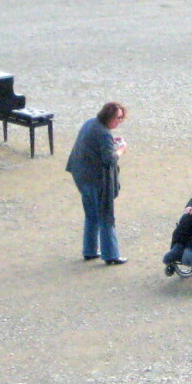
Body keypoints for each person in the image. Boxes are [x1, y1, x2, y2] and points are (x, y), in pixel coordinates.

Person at [65, 101, 128, 265]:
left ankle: (90, 250)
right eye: (118, 118)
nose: (120, 121)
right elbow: (109, 160)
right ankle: (111, 255)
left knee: (91, 215)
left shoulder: (91, 123)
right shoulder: (103, 133)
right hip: (96, 180)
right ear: (109, 117)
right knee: (106, 216)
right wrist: (120, 149)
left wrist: (111, 143)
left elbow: (93, 145)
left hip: (81, 176)